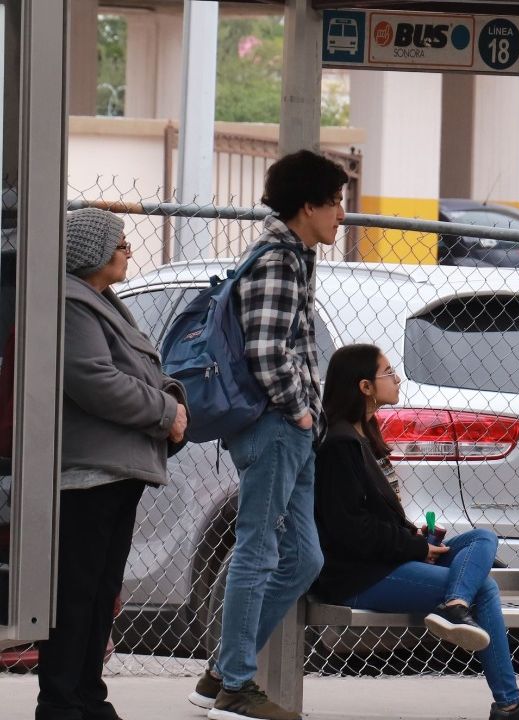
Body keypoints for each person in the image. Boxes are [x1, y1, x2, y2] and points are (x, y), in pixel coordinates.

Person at [309, 343, 519, 720]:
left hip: (386, 559)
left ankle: (456, 606)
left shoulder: (365, 435)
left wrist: (418, 538)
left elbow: (376, 517)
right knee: (486, 587)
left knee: (482, 539)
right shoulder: (341, 443)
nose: (396, 379)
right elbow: (350, 530)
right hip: (357, 575)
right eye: (388, 373)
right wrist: (414, 548)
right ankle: (506, 701)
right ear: (364, 386)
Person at [191, 150, 346, 720]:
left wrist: (304, 418)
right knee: (256, 551)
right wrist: (301, 411)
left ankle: (220, 673)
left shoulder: (294, 255)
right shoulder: (278, 261)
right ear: (307, 206)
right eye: (334, 203)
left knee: (301, 558)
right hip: (276, 427)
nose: (341, 216)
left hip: (290, 429)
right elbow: (265, 352)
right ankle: (235, 684)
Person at [39, 208, 188, 720]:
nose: (128, 248)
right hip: (88, 473)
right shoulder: (71, 302)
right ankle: (61, 701)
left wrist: (169, 398)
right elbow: (93, 380)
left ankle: (86, 695)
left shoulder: (103, 303)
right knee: (78, 591)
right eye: (119, 241)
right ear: (91, 252)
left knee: (101, 591)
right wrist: (166, 412)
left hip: (117, 470)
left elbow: (136, 369)